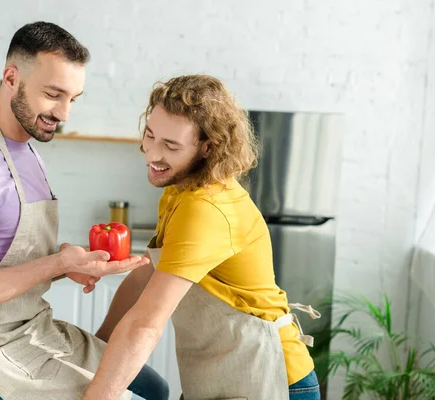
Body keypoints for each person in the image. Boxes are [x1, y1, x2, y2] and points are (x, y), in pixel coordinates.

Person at [0, 21, 169, 400]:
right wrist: (54, 265)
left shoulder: (28, 151)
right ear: (10, 78)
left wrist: (68, 263)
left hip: (31, 332)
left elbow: (4, 259)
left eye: (73, 98)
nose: (64, 113)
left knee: (154, 388)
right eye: (53, 94)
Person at [85, 74, 322, 400]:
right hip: (221, 377)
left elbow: (146, 323)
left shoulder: (205, 208)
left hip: (272, 379)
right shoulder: (180, 189)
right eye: (150, 135)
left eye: (170, 146)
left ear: (207, 147)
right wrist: (98, 346)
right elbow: (146, 275)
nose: (151, 155)